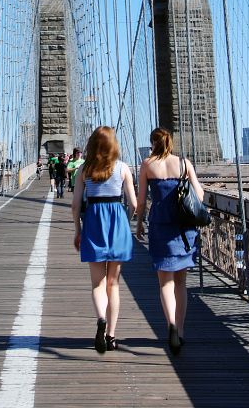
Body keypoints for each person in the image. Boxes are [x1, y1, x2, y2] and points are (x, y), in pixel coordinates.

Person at [135, 127, 204, 355]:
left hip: (160, 225)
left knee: (165, 283)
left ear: (152, 142)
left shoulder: (147, 164)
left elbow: (142, 201)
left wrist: (138, 224)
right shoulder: (184, 163)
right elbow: (200, 195)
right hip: (183, 228)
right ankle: (181, 331)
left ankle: (171, 326)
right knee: (181, 283)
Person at [72, 126, 137, 354]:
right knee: (113, 284)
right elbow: (135, 204)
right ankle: (110, 335)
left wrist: (77, 230)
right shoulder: (122, 168)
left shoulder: (84, 169)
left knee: (97, 283)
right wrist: (125, 222)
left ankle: (101, 318)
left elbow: (75, 204)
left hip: (93, 222)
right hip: (117, 221)